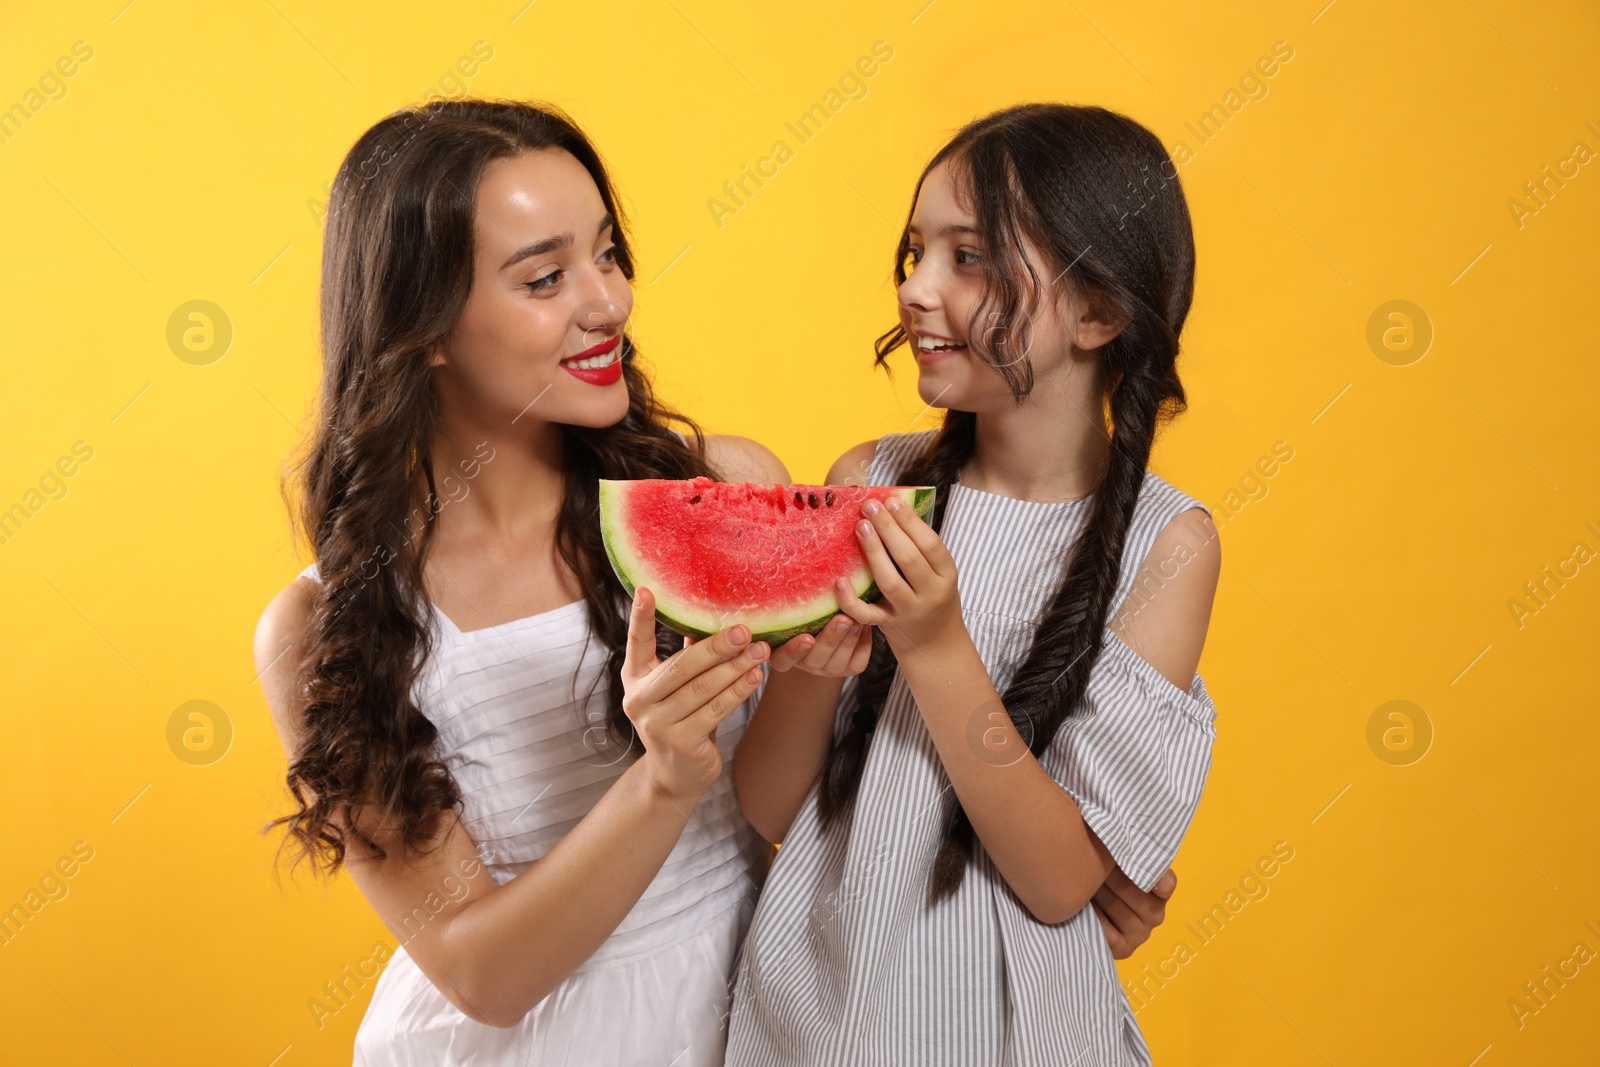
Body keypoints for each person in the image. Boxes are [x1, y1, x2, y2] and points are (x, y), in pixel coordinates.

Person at [254, 97, 1179, 1066]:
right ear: (423, 325)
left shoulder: (731, 485)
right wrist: (661, 779)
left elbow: (828, 781)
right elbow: (477, 973)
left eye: (607, 254)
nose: (606, 301)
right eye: (544, 277)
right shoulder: (322, 629)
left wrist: (1074, 871)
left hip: (756, 1021)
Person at [725, 103, 1221, 1066]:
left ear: (1099, 311)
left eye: (970, 257)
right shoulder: (869, 481)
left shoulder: (1169, 545)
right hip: (810, 1012)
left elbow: (1057, 879)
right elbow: (770, 804)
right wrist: (812, 670)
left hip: (1008, 1033)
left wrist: (938, 646)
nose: (916, 289)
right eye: (914, 252)